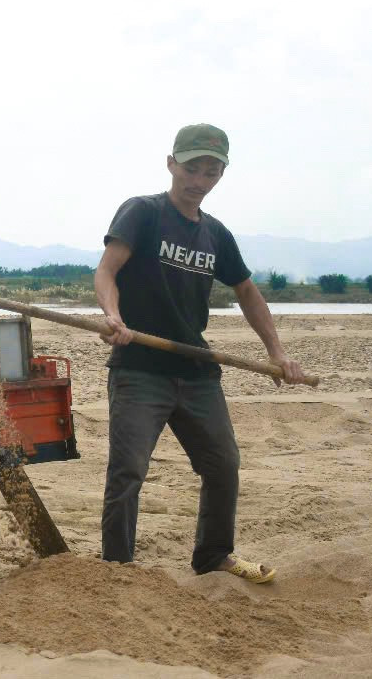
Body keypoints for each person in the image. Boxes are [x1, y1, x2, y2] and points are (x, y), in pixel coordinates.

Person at [94, 123, 305, 583]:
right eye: (192, 168)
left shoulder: (216, 235)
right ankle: (116, 570)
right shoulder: (142, 213)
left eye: (211, 172)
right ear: (171, 164)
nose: (199, 180)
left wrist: (278, 353)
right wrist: (114, 317)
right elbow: (107, 271)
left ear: (220, 176)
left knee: (223, 466)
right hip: (140, 369)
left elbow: (248, 292)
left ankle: (213, 557)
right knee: (128, 471)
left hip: (196, 370)